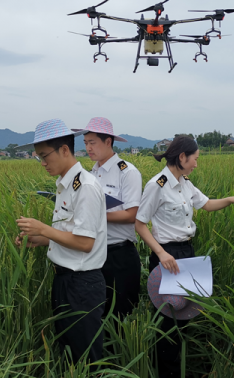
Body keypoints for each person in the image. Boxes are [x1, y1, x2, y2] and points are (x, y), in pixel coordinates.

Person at [135, 135, 234, 378]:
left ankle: (178, 369)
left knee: (184, 315)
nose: (196, 164)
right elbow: (140, 224)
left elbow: (206, 204)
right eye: (195, 159)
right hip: (167, 255)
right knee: (167, 321)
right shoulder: (156, 185)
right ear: (182, 157)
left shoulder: (184, 182)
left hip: (187, 253)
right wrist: (161, 252)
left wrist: (232, 199)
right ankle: (165, 372)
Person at [14, 118, 107, 365]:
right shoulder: (64, 184)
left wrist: (44, 228)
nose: (42, 163)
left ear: (64, 150)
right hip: (64, 280)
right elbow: (69, 234)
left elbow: (86, 243)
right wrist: (40, 238)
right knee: (68, 352)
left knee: (85, 357)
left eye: (45, 156)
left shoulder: (84, 187)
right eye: (38, 157)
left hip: (82, 285)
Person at [73, 117, 143, 319]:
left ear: (108, 142)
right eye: (85, 143)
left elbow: (132, 215)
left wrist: (97, 215)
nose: (88, 148)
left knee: (121, 314)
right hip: (95, 253)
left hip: (119, 254)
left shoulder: (127, 172)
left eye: (92, 142)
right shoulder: (90, 174)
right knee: (97, 312)